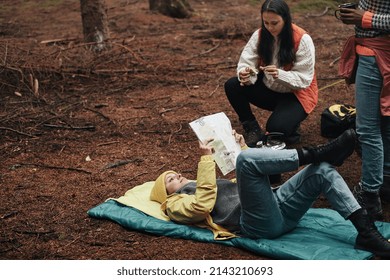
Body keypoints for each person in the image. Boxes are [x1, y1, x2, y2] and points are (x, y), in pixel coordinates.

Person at [150, 128, 390, 258]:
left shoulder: (204, 182)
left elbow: (249, 183)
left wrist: (241, 145)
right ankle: (315, 152)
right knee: (246, 161)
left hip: (277, 206)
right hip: (258, 224)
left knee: (322, 170)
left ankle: (366, 232)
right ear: (167, 194)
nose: (177, 176)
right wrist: (205, 161)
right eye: (170, 180)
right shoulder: (173, 205)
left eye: (175, 173)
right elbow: (202, 205)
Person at [224, 0, 318, 147]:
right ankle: (251, 126)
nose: (269, 27)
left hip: (296, 95)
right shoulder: (260, 35)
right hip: (269, 89)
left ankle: (290, 124)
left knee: (275, 129)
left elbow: (304, 79)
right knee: (232, 85)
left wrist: (279, 74)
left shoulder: (302, 39)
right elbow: (246, 61)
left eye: (274, 23)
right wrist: (245, 73)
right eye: (266, 23)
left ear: (285, 19)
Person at [337, 0, 390, 221]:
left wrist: (363, 18)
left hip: (377, 53)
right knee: (385, 122)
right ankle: (384, 180)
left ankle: (369, 195)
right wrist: (356, 6)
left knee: (368, 129)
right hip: (374, 51)